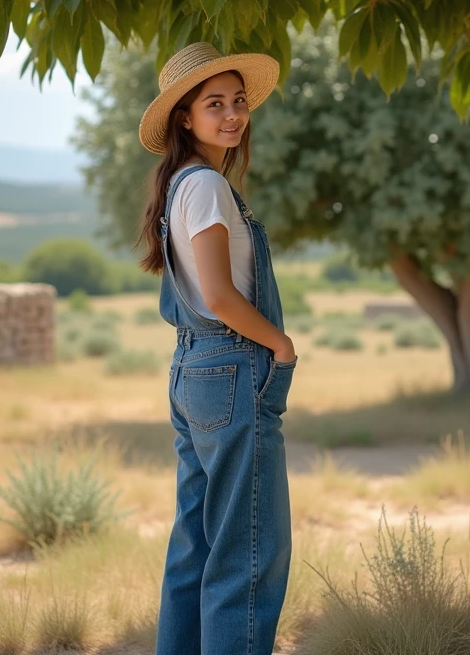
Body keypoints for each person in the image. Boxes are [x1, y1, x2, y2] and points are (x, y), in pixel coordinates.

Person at [135, 41, 297, 655]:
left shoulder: (182, 184)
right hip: (231, 369)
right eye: (214, 105)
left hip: (194, 371)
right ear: (185, 116)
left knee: (196, 549)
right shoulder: (204, 187)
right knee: (248, 554)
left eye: (238, 102)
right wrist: (280, 344)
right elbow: (222, 296)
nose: (232, 115)